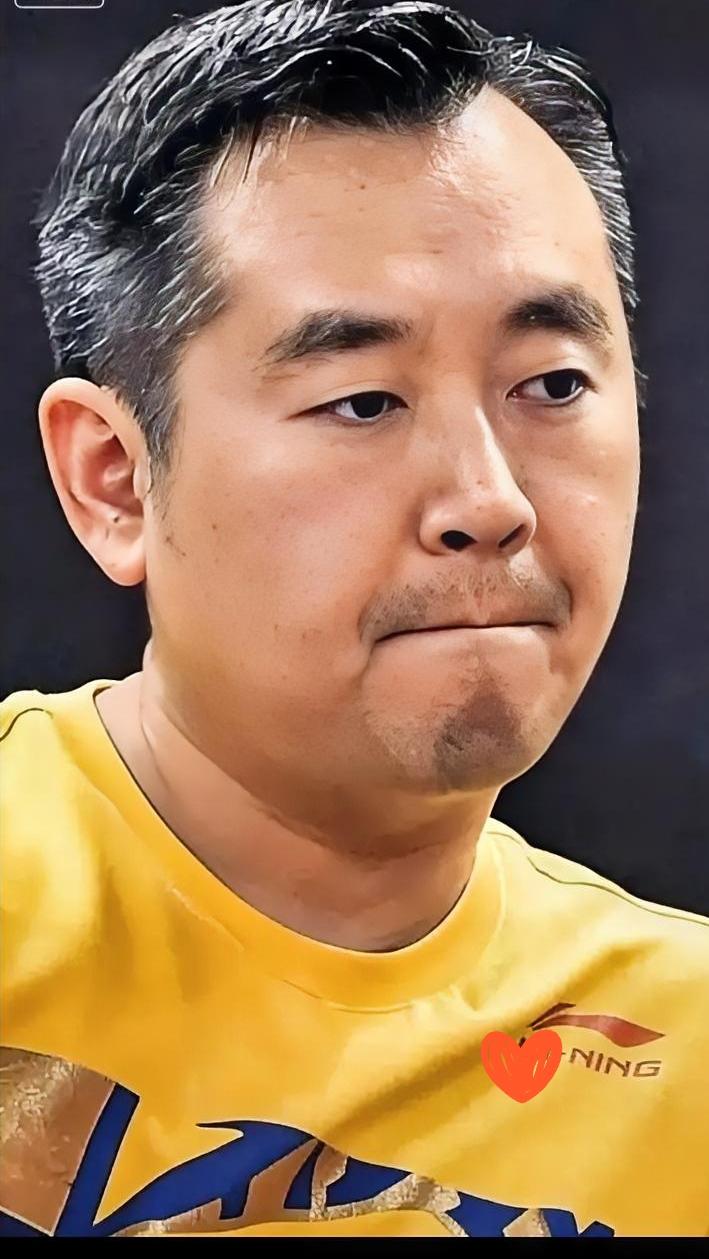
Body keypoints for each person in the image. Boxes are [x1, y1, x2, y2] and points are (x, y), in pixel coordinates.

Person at [1, 0, 706, 1239]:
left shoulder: (683, 1045)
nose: (488, 500)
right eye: (364, 400)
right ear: (115, 479)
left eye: (551, 383)